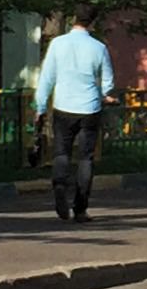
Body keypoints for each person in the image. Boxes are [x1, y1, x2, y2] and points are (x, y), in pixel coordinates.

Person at [31, 14, 114, 225]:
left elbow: (47, 77)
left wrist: (40, 107)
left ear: (72, 22)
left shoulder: (57, 44)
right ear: (92, 23)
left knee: (61, 152)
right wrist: (106, 93)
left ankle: (59, 185)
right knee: (86, 158)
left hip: (64, 107)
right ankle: (80, 208)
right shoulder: (99, 47)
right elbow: (108, 81)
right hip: (90, 108)